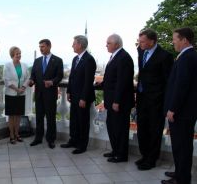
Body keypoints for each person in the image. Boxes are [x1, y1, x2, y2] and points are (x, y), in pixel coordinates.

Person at [162, 28, 197, 184]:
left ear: (185, 40)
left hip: (182, 112)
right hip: (186, 111)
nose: (173, 41)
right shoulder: (190, 56)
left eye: (175, 39)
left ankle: (182, 178)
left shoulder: (186, 58)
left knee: (182, 147)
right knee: (180, 145)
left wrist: (172, 109)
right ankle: (179, 172)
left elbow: (181, 86)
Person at [135, 29, 173, 170]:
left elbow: (168, 81)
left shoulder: (165, 56)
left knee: (154, 131)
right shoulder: (141, 51)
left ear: (152, 41)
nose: (140, 44)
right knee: (142, 129)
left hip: (156, 101)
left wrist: (166, 102)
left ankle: (151, 160)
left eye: (143, 41)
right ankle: (144, 155)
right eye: (139, 41)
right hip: (141, 98)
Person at [100, 34, 134, 163]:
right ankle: (115, 150)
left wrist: (117, 101)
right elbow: (112, 78)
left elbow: (122, 82)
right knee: (112, 126)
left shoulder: (123, 57)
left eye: (108, 43)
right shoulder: (116, 56)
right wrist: (101, 84)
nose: (106, 45)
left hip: (119, 102)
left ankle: (121, 155)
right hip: (112, 100)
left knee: (120, 129)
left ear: (117, 44)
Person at [60, 35, 96, 154]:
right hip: (74, 95)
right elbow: (72, 77)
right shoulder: (75, 59)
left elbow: (88, 81)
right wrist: (69, 91)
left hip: (82, 97)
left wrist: (83, 98)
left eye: (74, 43)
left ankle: (82, 145)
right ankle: (73, 140)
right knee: (74, 119)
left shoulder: (89, 59)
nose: (72, 45)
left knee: (83, 121)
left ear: (80, 45)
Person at [29, 39, 63, 149]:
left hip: (50, 94)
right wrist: (31, 80)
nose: (40, 49)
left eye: (42, 46)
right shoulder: (37, 61)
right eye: (40, 47)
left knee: (50, 117)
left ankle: (51, 139)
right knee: (39, 117)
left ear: (49, 46)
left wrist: (52, 82)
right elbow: (33, 74)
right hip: (38, 94)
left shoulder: (58, 60)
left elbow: (59, 76)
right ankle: (38, 138)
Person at [3, 46, 30, 144]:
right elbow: (6, 80)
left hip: (21, 93)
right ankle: (11, 135)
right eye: (17, 54)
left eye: (19, 53)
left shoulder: (24, 65)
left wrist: (23, 87)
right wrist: (16, 89)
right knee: (11, 115)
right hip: (11, 93)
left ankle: (17, 134)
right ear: (12, 55)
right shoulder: (7, 65)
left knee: (18, 115)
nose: (19, 55)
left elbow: (28, 77)